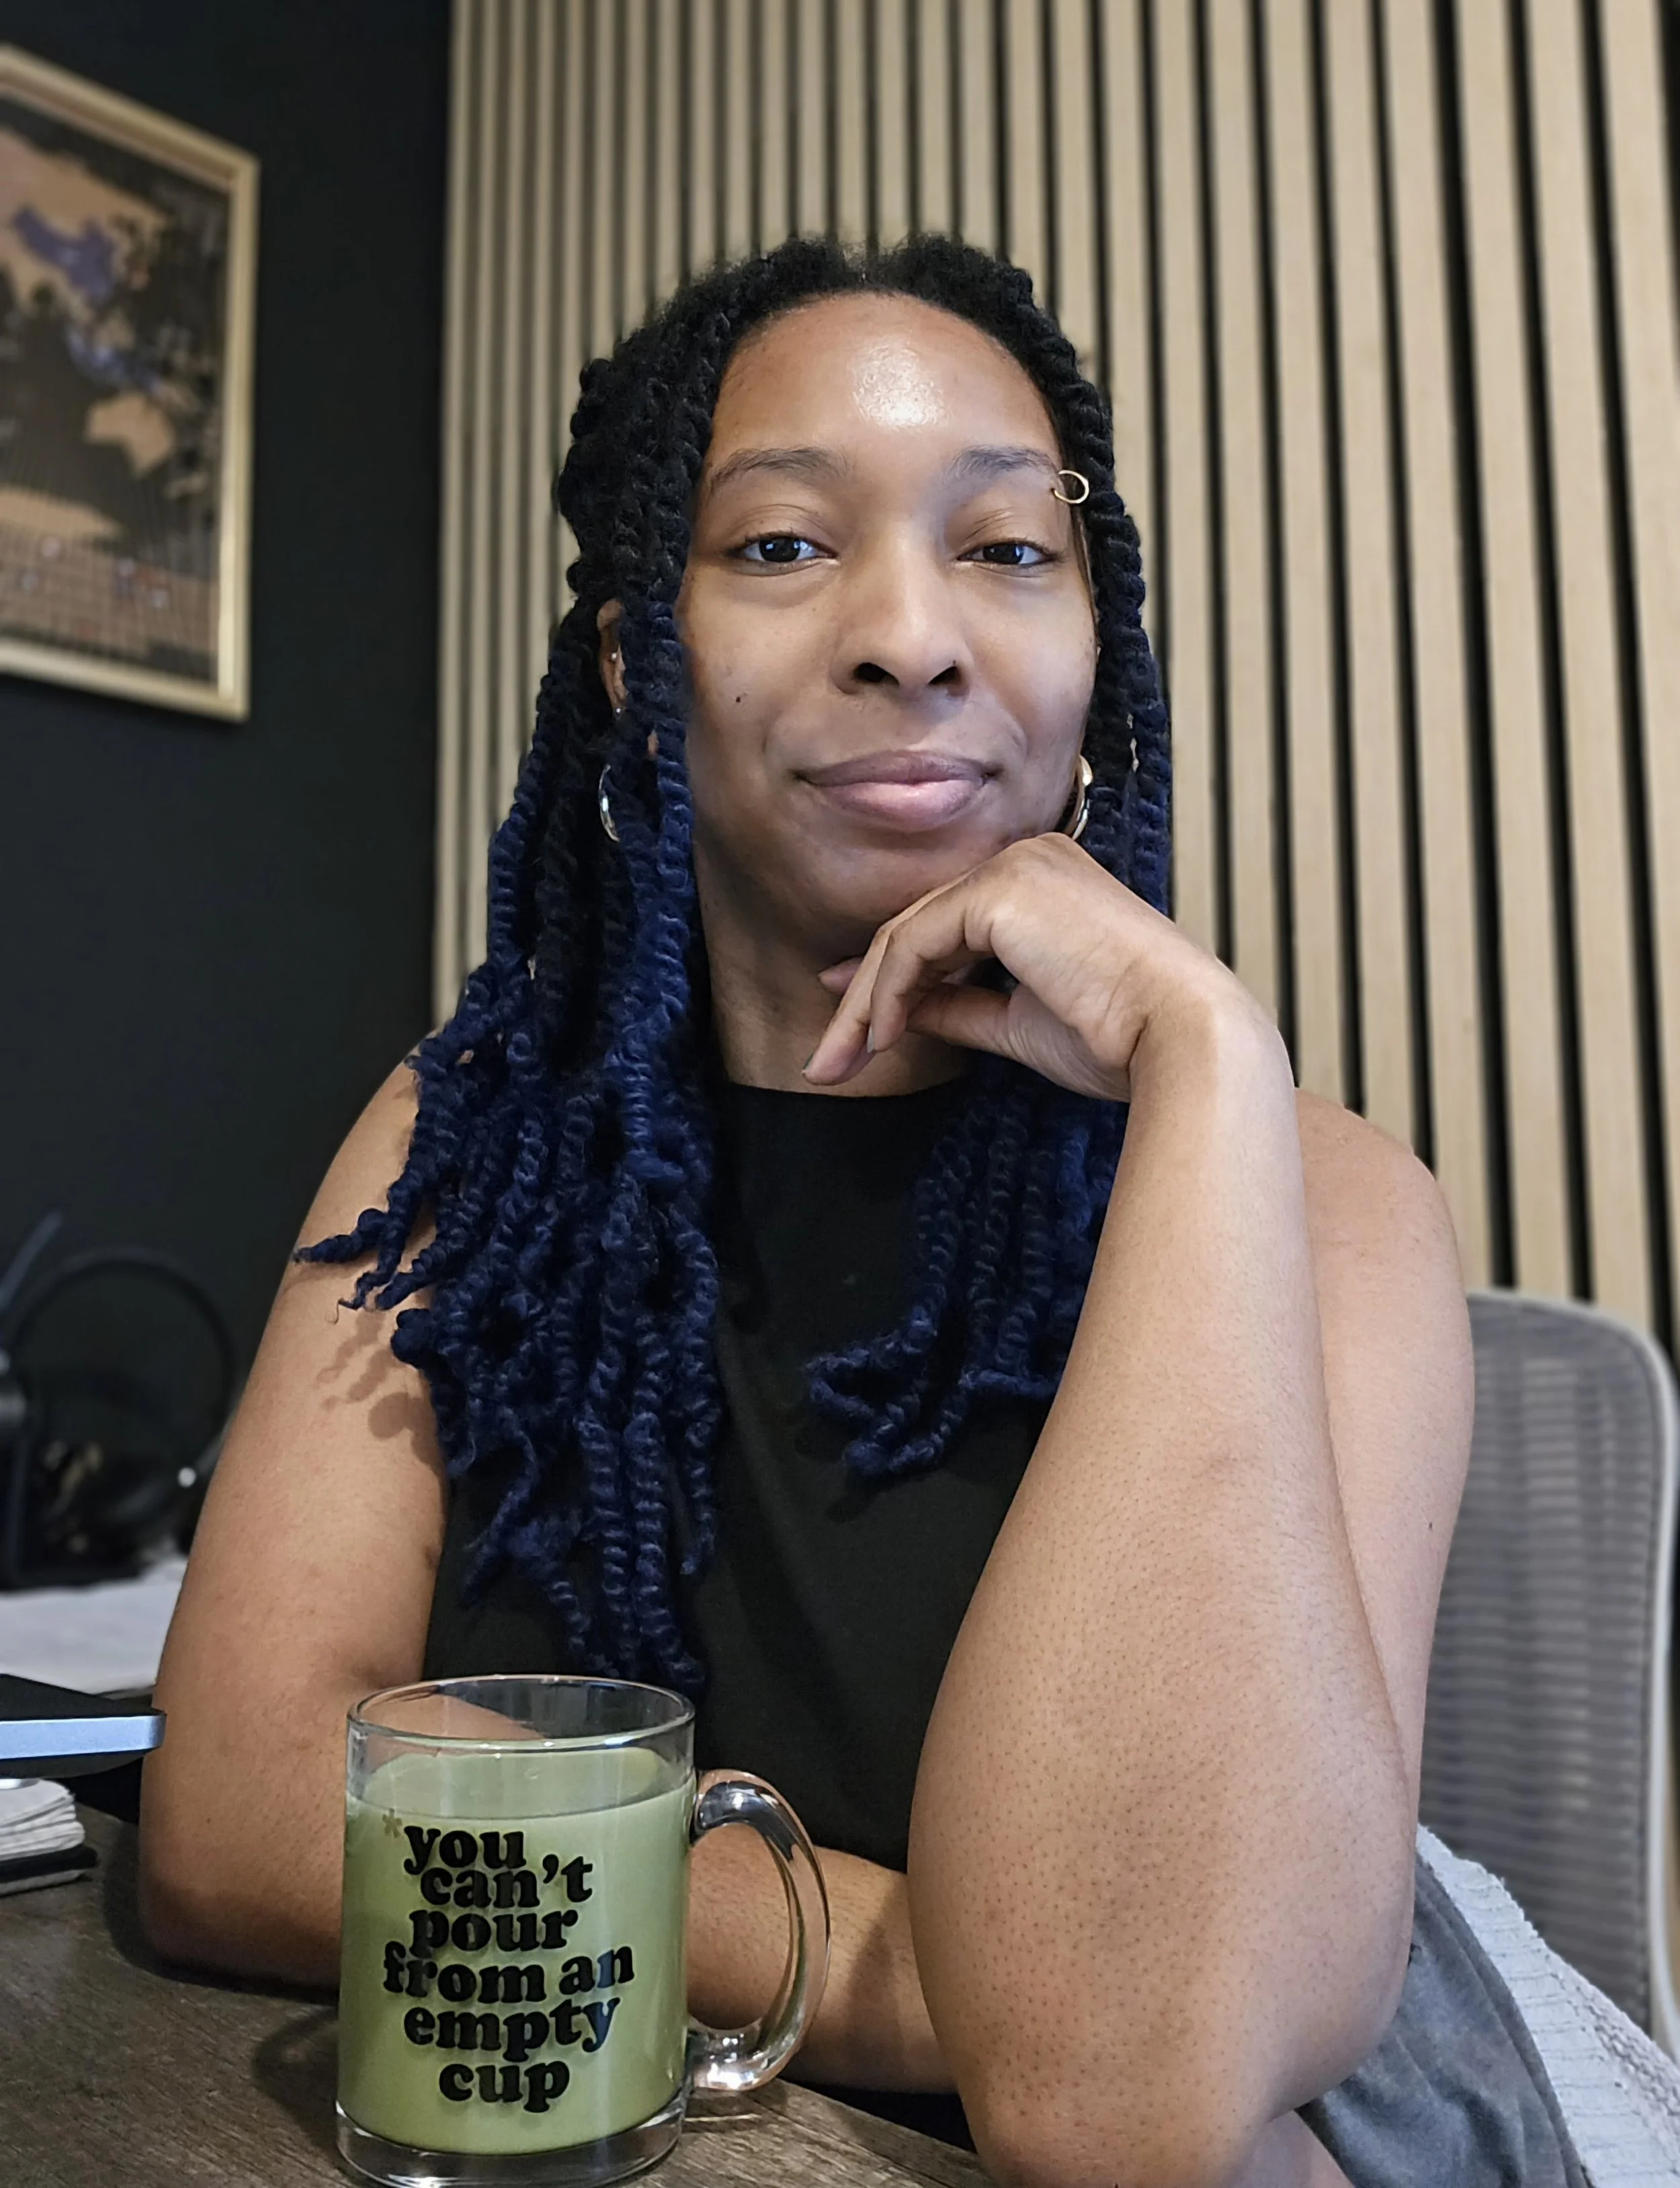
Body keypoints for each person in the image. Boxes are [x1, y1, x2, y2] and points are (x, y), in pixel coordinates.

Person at [139, 236, 1622, 2188]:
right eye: (777, 545)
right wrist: (905, 1957)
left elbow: (1127, 2095)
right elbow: (241, 1808)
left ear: (1098, 656)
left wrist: (1200, 1062)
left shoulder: (1307, 1187)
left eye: (1007, 550)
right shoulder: (470, 1139)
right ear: (627, 664)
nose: (911, 636)